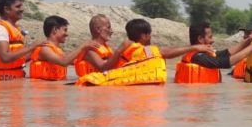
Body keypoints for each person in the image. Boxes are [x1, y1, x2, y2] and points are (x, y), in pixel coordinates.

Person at [75, 18, 210, 86]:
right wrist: (194, 47)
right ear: (145, 36)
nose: (111, 31)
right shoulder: (132, 48)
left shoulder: (126, 49)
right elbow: (164, 52)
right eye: (108, 27)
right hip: (94, 83)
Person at [175, 21, 252, 83]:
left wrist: (248, 40)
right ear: (200, 39)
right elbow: (225, 62)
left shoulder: (202, 54)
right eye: (210, 37)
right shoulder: (198, 57)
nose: (213, 40)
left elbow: (225, 54)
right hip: (199, 105)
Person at [29, 15, 95, 81]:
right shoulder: (45, 49)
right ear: (55, 30)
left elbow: (73, 60)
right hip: (44, 89)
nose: (67, 34)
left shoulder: (57, 50)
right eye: (65, 30)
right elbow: (64, 62)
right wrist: (83, 46)